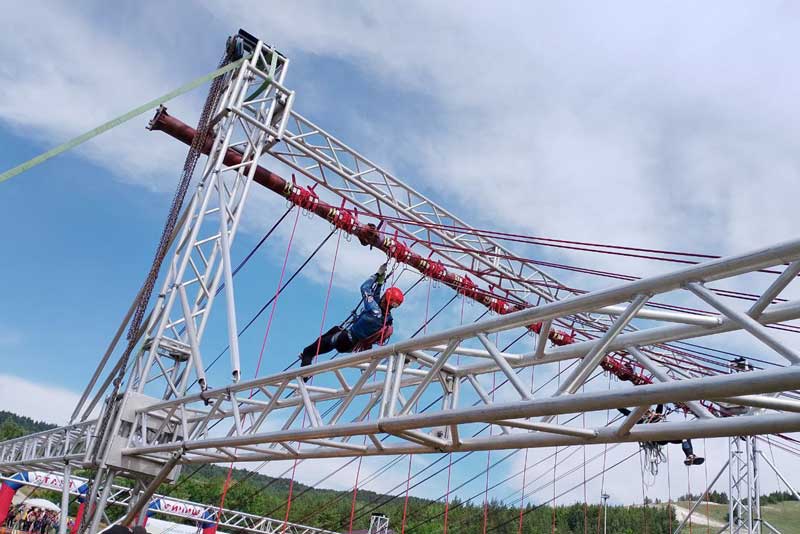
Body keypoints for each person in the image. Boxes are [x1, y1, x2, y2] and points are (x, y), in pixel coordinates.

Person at [298, 263, 404, 369]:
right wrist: (380, 283)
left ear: (385, 298)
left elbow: (365, 288)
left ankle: (304, 372)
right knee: (335, 329)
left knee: (308, 351)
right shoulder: (387, 319)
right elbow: (377, 300)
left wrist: (376, 275)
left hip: (344, 340)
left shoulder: (374, 310)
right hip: (352, 345)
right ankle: (311, 354)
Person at [618, 404, 704, 466]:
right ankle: (689, 455)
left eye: (649, 411)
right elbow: (627, 413)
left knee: (685, 435)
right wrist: (617, 405)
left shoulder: (657, 415)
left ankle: (690, 456)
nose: (649, 412)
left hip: (666, 434)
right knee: (683, 435)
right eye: (647, 411)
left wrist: (660, 395)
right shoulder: (640, 420)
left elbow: (660, 403)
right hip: (658, 437)